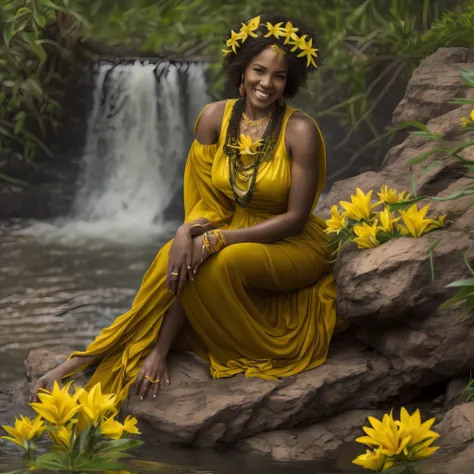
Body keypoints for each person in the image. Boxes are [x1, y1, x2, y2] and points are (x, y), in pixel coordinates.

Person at [30, 13, 337, 405]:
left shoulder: (300, 130)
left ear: (289, 80)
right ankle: (91, 358)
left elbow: (295, 219)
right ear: (241, 71)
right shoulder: (213, 119)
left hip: (292, 243)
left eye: (278, 76)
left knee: (221, 261)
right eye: (259, 70)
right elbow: (205, 202)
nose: (267, 83)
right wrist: (184, 233)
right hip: (230, 228)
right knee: (173, 257)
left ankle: (163, 347)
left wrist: (220, 238)